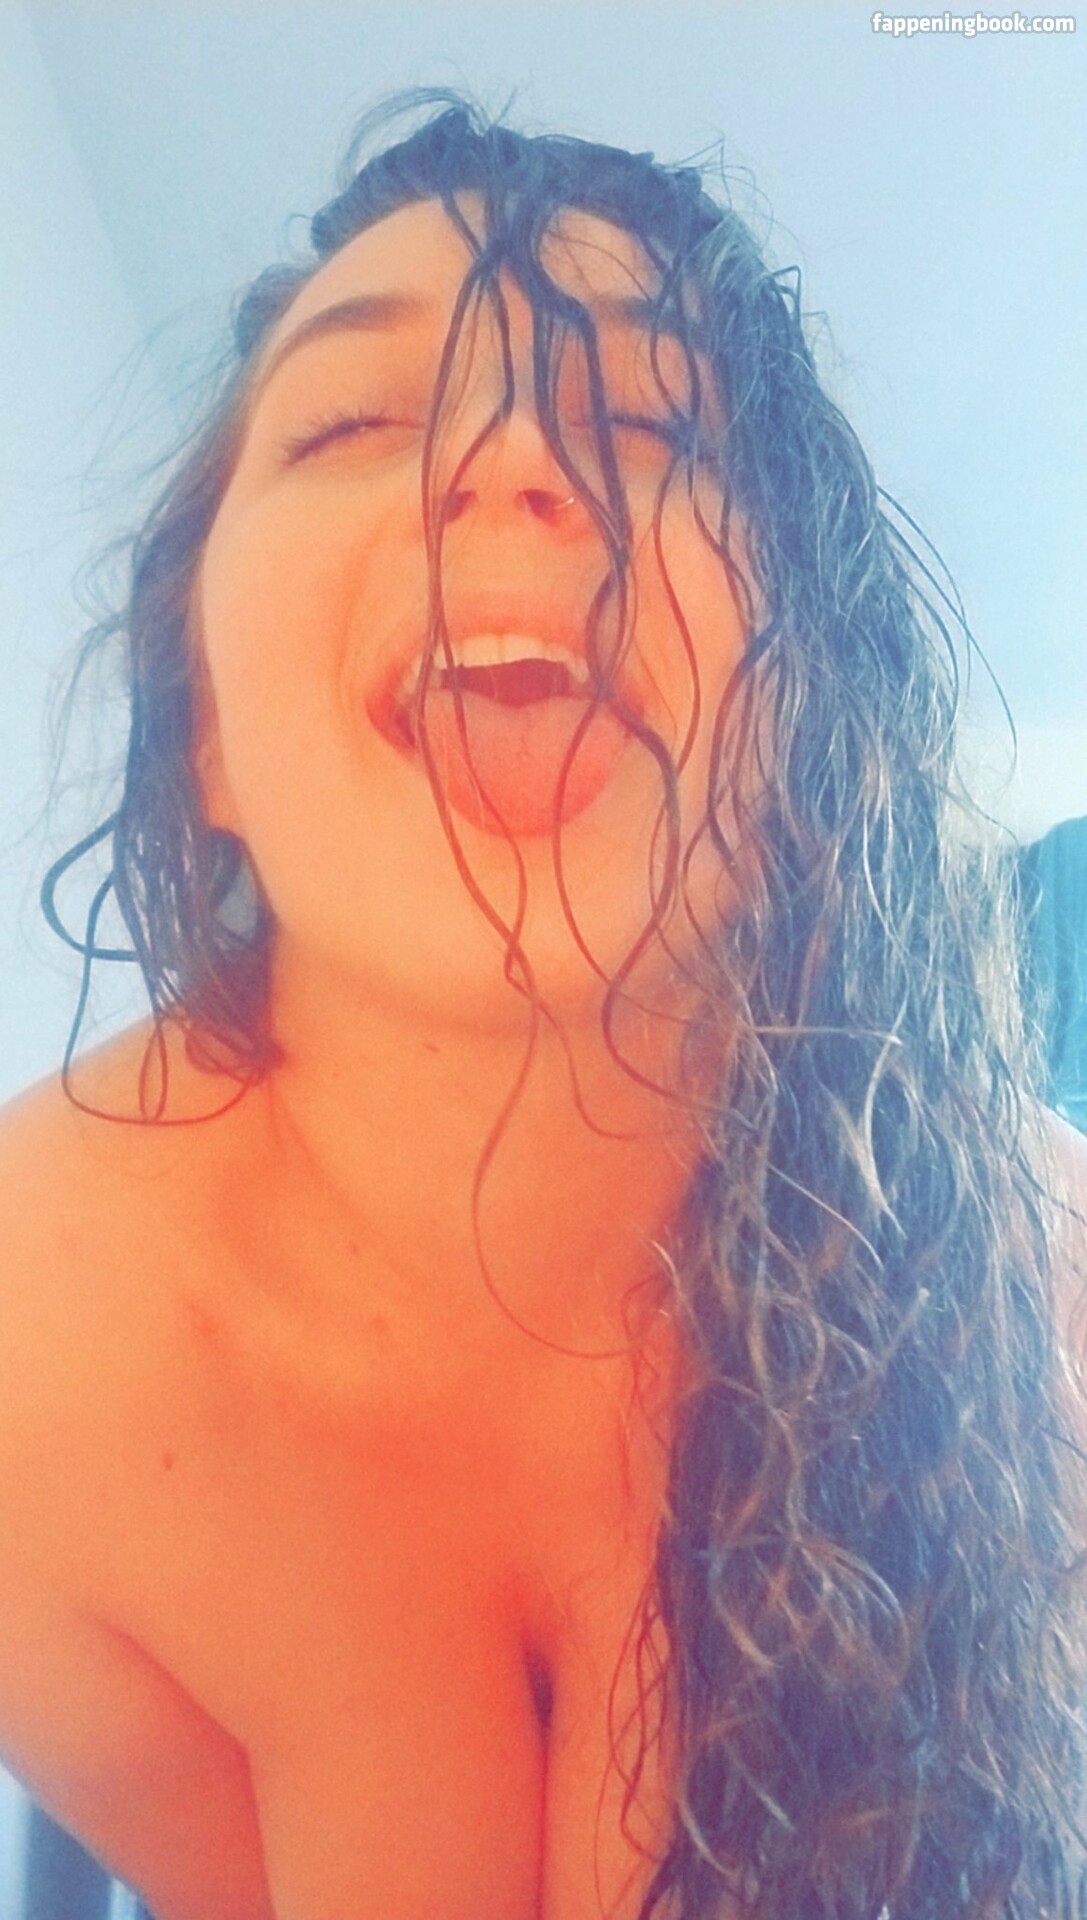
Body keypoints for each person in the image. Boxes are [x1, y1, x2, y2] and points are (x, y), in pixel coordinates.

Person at [0, 86, 1084, 1920]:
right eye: (352, 421)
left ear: (810, 712)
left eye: (655, 425)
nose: (515, 460)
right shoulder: (26, 1365)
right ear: (203, 735)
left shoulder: (1048, 1308)